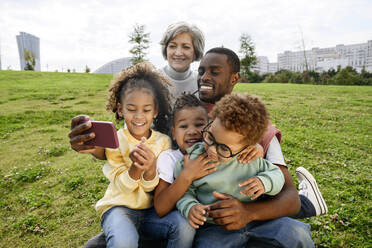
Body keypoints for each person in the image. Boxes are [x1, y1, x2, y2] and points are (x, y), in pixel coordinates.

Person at [196, 47, 327, 229]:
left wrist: (247, 213)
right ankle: (310, 204)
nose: (204, 77)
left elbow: (290, 199)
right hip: (205, 219)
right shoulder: (188, 118)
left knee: (295, 234)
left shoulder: (258, 128)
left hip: (249, 216)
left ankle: (309, 203)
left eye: (215, 72)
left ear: (234, 78)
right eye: (201, 71)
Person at [78, 61, 195, 248]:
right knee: (124, 242)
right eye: (131, 110)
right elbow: (122, 187)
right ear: (120, 109)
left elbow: (154, 188)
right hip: (119, 208)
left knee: (184, 227)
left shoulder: (163, 141)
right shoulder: (115, 141)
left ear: (155, 111)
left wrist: (149, 172)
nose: (139, 116)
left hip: (150, 213)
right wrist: (134, 171)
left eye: (146, 110)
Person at [175, 93, 313, 247]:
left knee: (298, 233)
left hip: (260, 222)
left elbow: (277, 176)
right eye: (210, 137)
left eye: (223, 148)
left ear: (246, 148)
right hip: (216, 228)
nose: (212, 150)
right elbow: (184, 193)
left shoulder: (250, 159)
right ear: (210, 122)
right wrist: (190, 207)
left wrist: (264, 182)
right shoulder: (193, 159)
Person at [159, 22, 205, 101]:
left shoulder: (202, 82)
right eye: (172, 46)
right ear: (166, 50)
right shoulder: (150, 79)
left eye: (186, 47)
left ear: (196, 51)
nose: (178, 53)